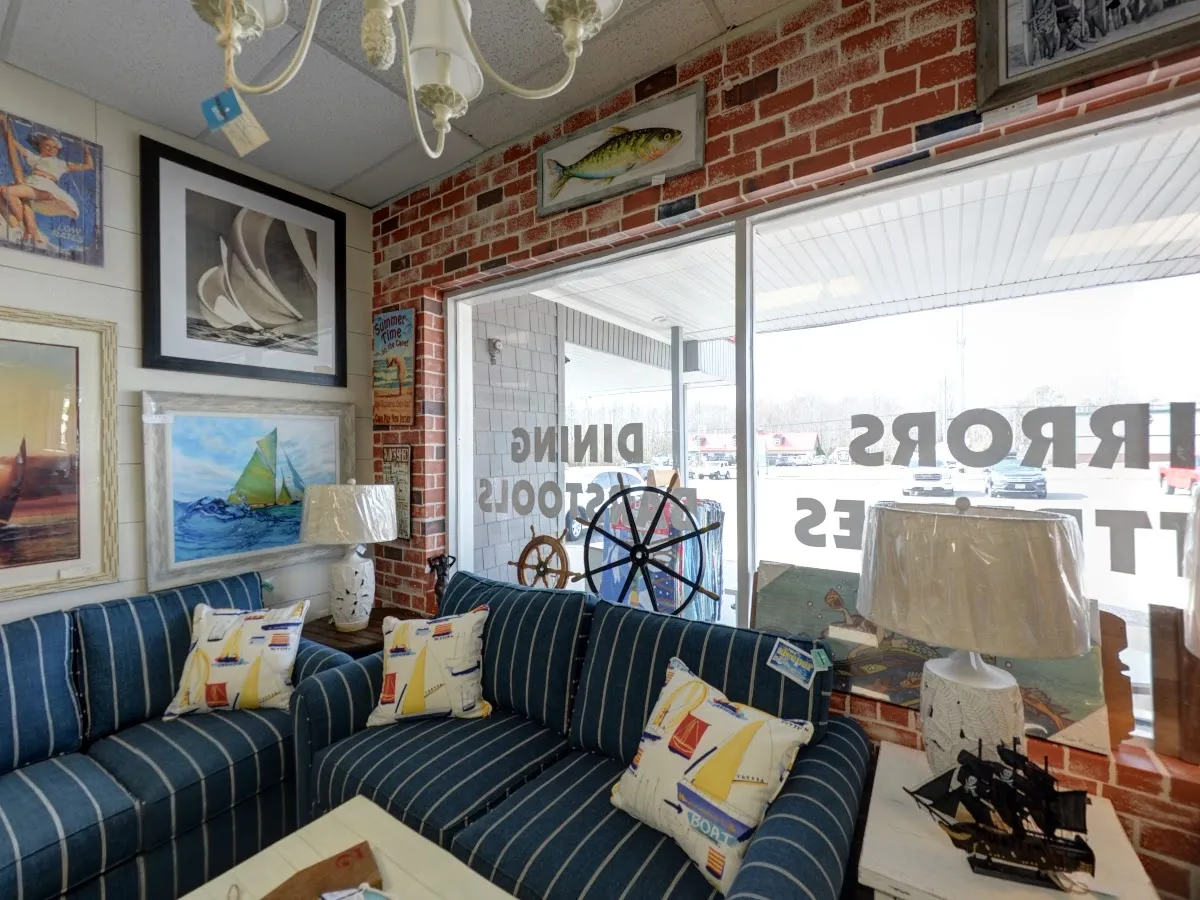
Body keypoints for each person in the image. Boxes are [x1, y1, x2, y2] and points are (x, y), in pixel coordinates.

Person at [0, 116, 93, 249]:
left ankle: (27, 228)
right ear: (40, 146)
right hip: (31, 184)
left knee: (7, 191)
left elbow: (88, 166)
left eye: (54, 147)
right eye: (47, 146)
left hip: (45, 188)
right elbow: (14, 144)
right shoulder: (35, 158)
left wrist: (87, 152)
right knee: (5, 194)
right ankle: (24, 228)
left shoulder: (61, 163)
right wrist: (5, 128)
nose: (51, 149)